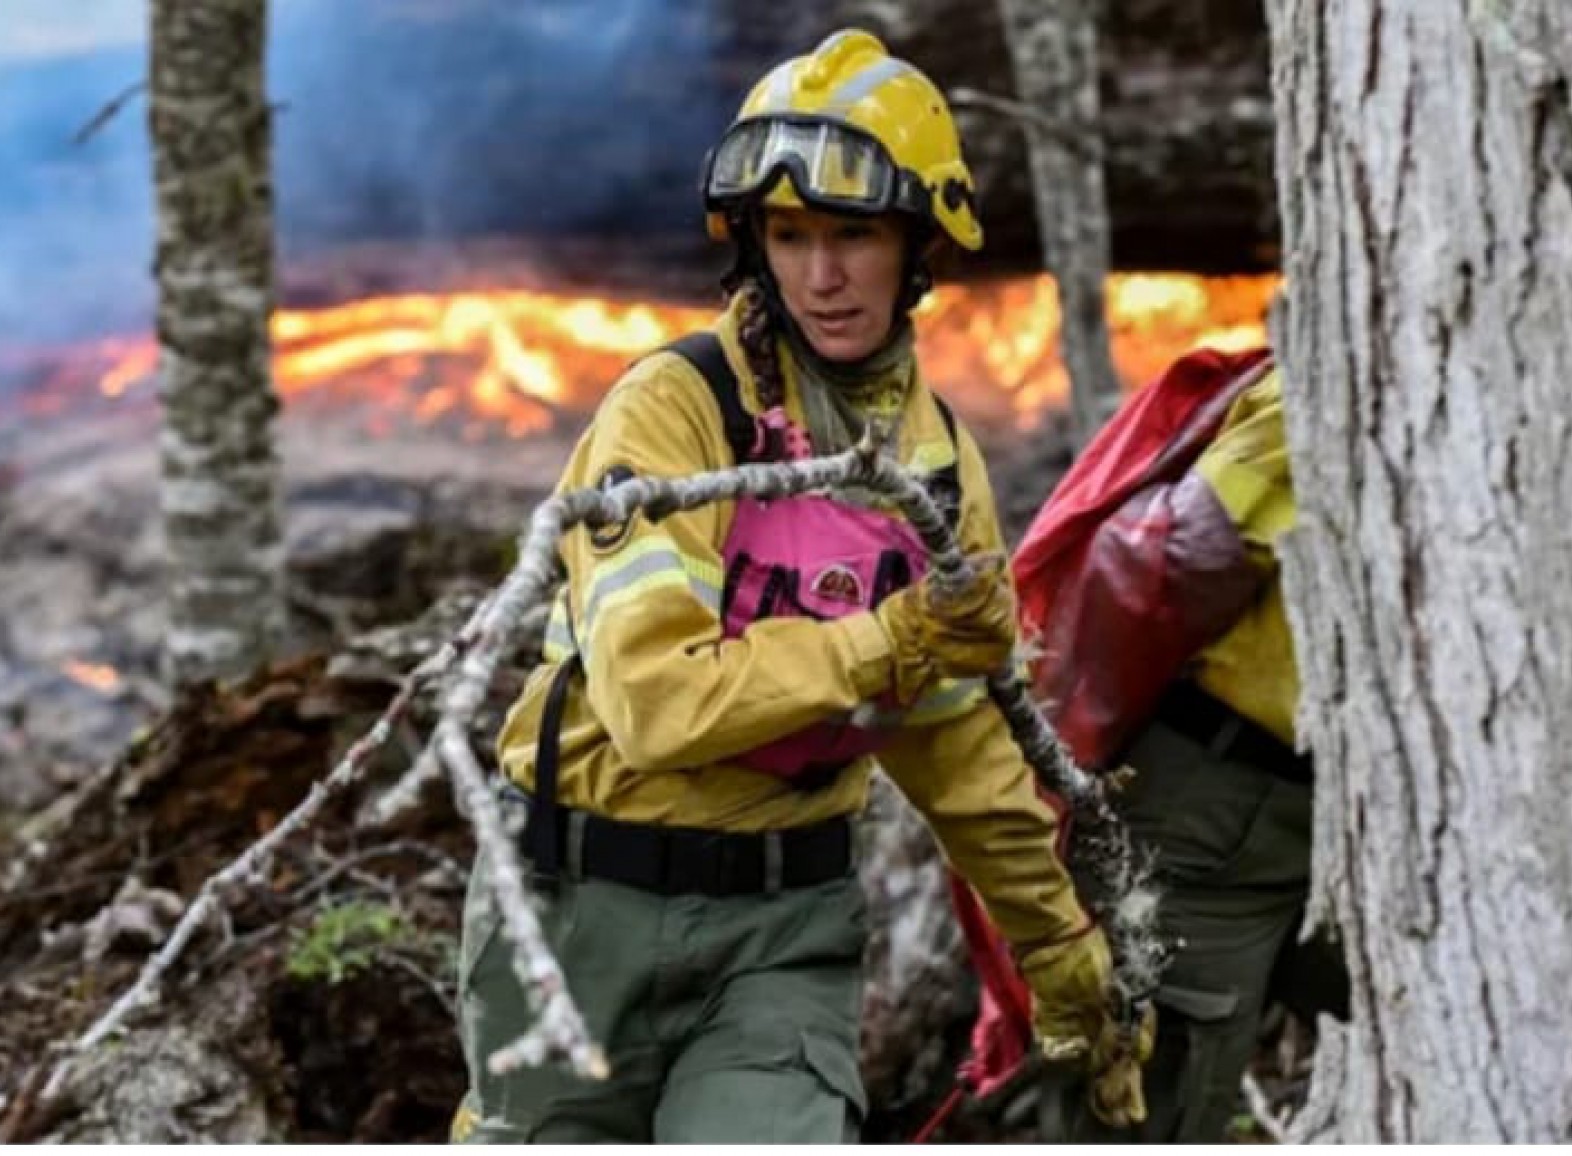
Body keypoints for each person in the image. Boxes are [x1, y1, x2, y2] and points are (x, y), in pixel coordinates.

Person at [450, 28, 1144, 1144]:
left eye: (854, 235)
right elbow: (656, 703)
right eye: (790, 235)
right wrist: (894, 638)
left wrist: (1060, 949)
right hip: (579, 912)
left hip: (784, 930)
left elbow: (958, 745)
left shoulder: (937, 470)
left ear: (920, 243)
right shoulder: (673, 414)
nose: (821, 275)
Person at [1000, 343, 1350, 1143]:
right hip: (1207, 815)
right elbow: (1177, 561)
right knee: (1149, 1104)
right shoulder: (1329, 380)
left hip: (1326, 824)